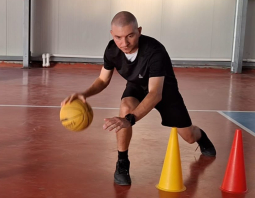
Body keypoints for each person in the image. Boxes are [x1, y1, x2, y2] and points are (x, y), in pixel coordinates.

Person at [61, 11, 216, 186]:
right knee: (126, 105)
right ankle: (122, 162)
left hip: (164, 90)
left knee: (188, 136)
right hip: (136, 85)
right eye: (118, 37)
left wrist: (130, 119)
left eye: (130, 36)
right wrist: (85, 93)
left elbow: (155, 94)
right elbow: (103, 79)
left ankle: (201, 136)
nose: (124, 43)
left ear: (139, 31)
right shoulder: (112, 49)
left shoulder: (155, 51)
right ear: (112, 34)